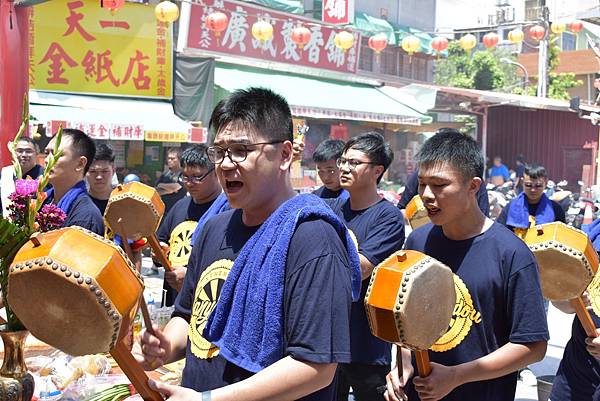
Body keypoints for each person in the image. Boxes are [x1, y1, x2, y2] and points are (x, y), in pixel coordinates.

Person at [134, 87, 360, 401]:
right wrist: (166, 345)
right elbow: (188, 316)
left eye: (241, 149)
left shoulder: (312, 237)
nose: (226, 164)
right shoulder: (214, 228)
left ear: (284, 155)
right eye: (220, 151)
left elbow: (316, 366)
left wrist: (208, 400)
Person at [385, 130, 548, 401]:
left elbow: (533, 345)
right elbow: (405, 322)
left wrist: (457, 375)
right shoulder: (417, 241)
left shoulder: (511, 254)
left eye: (439, 185)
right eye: (422, 183)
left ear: (473, 186)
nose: (425, 195)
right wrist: (403, 365)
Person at [329, 132, 405, 401]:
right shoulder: (332, 209)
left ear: (377, 171)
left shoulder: (388, 218)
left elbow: (359, 268)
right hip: (326, 340)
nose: (344, 167)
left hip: (366, 344)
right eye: (343, 160)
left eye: (354, 162)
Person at [155, 144, 223, 307]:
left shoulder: (225, 211)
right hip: (173, 300)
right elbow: (161, 242)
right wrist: (159, 253)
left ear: (215, 174)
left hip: (205, 302)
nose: (190, 183)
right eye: (185, 177)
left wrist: (192, 276)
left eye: (197, 177)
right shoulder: (180, 206)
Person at [44, 129, 104, 236]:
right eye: (46, 153)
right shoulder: (42, 202)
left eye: (57, 154)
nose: (47, 160)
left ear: (80, 164)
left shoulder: (85, 216)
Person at [496, 164, 565, 231]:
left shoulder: (556, 210)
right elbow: (500, 234)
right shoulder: (510, 208)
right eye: (528, 185)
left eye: (538, 186)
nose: (533, 190)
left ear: (546, 183)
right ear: (522, 182)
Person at [1, 136, 44, 217]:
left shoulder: (43, 176)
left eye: (28, 151)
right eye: (19, 151)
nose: (24, 155)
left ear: (37, 153)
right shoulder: (5, 173)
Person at [86, 143, 116, 215]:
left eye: (105, 171)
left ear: (113, 171)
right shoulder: (78, 204)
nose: (99, 177)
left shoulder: (124, 201)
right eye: (93, 171)